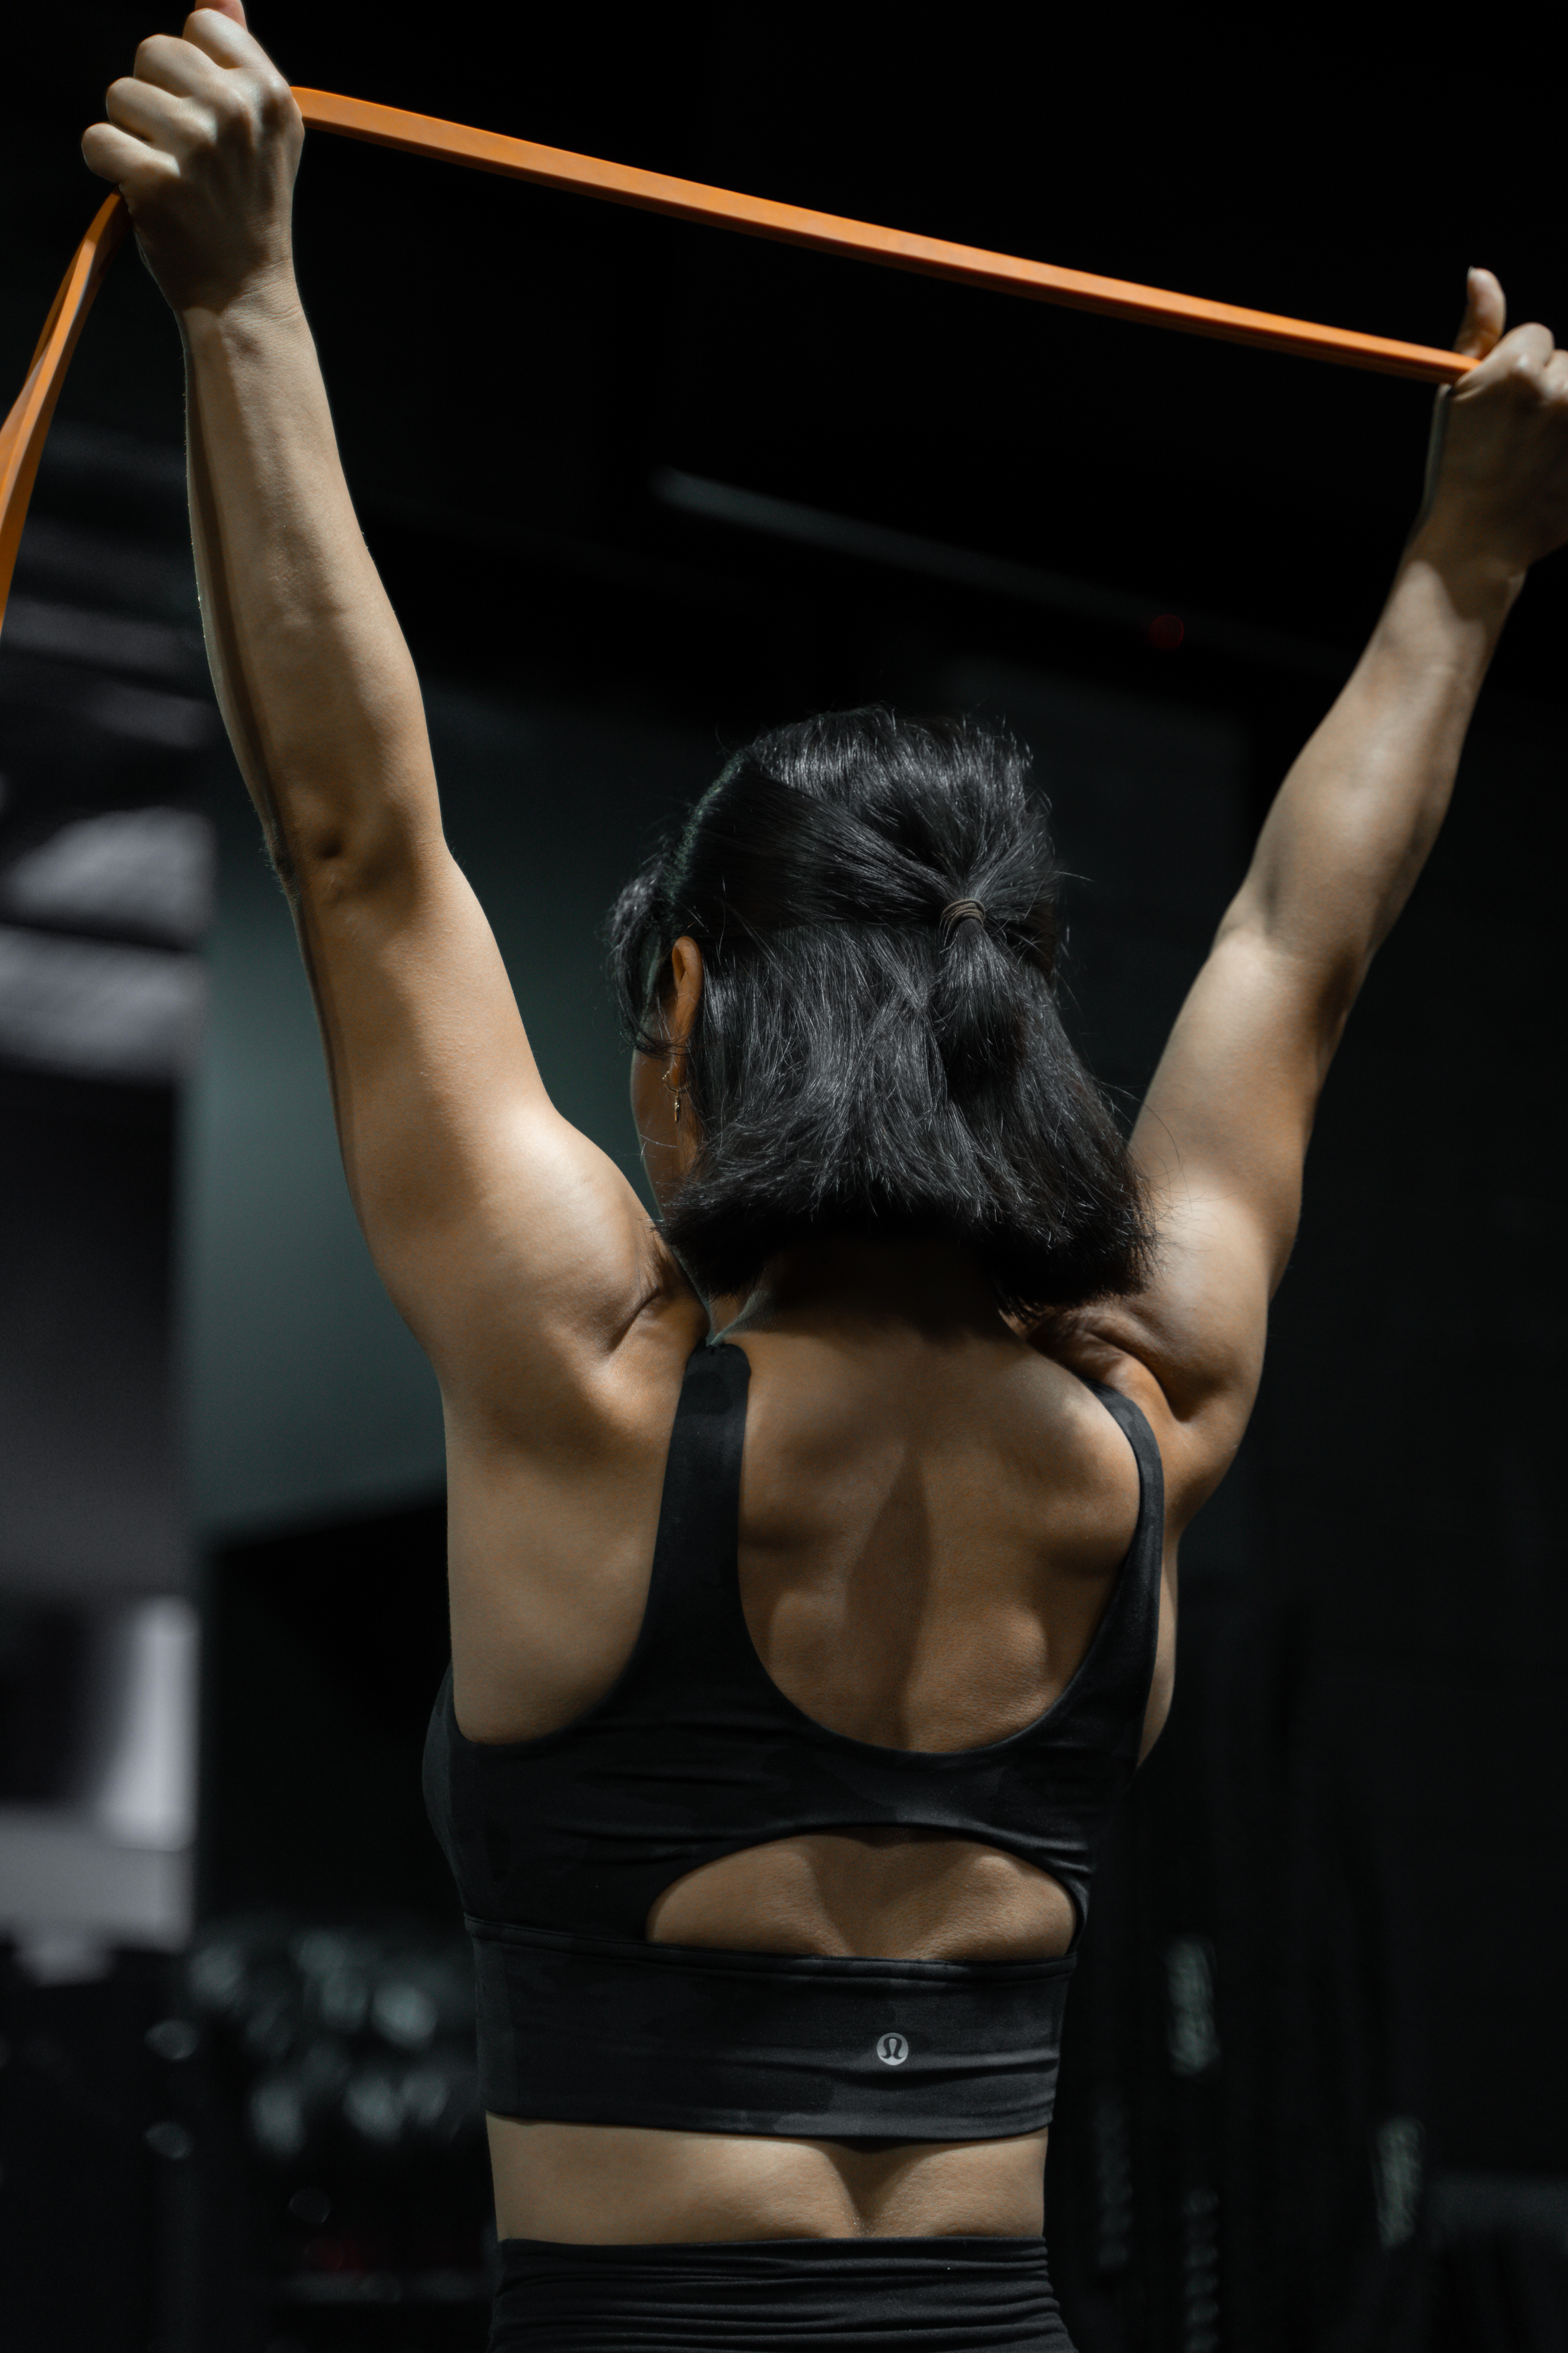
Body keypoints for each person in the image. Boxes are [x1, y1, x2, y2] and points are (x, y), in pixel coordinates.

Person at [83, 7, 1568, 2347]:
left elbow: (359, 842)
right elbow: (1297, 943)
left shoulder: (589, 1365)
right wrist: (1463, 581)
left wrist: (241, 301)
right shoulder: (1143, 1405)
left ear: (683, 1004)